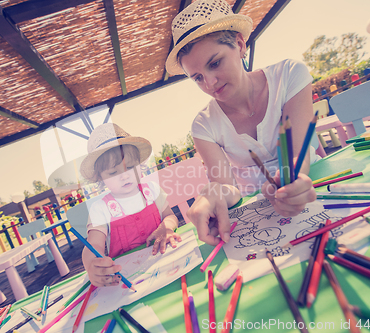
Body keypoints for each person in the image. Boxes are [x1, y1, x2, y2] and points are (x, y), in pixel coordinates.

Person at [165, 0, 318, 246]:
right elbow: (227, 186)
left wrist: (291, 183)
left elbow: (297, 159)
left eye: (215, 63)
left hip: (316, 188)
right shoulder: (203, 125)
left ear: (239, 44)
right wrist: (213, 193)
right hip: (257, 217)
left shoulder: (290, 75)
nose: (210, 83)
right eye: (197, 78)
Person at [80, 123, 181, 287]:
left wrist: (166, 227)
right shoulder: (101, 209)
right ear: (101, 178)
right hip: (128, 280)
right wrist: (92, 264)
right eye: (114, 172)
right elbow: (94, 244)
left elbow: (169, 215)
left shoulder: (152, 191)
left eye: (131, 167)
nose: (125, 176)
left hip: (167, 262)